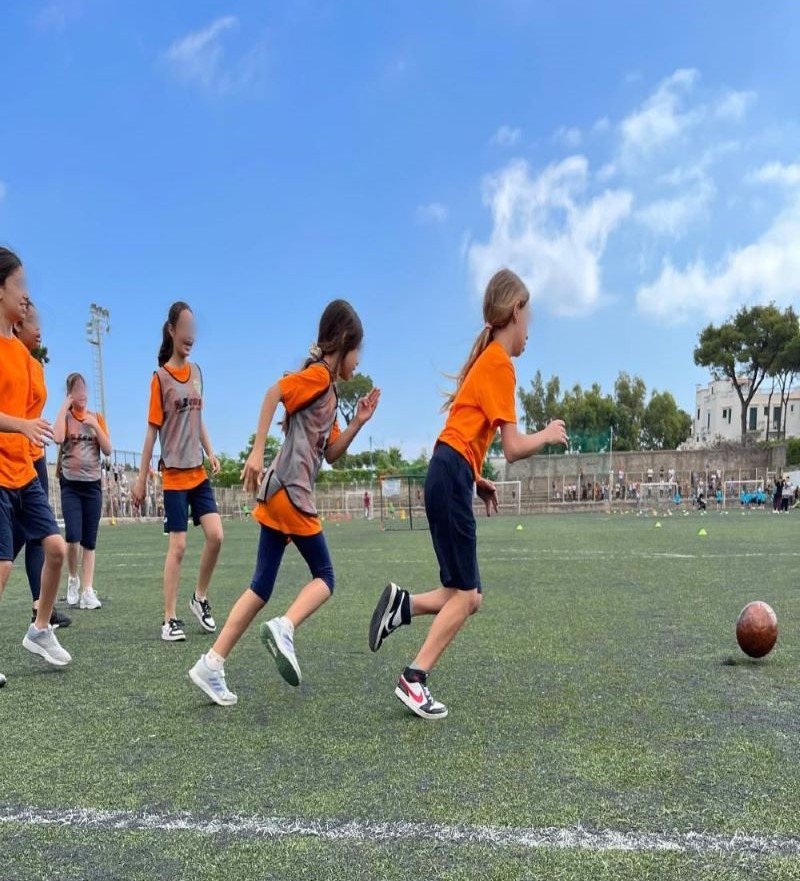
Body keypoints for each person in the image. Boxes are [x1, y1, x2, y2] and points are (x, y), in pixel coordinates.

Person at [368, 269, 567, 720]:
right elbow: (512, 448)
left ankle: (403, 605)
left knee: (468, 596)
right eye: (529, 317)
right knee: (466, 595)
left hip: (451, 472)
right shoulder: (500, 363)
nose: (530, 330)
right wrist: (547, 434)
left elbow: (464, 431)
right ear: (515, 311)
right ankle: (414, 678)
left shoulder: (489, 362)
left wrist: (476, 478)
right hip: (450, 473)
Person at [189, 300, 380, 706]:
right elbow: (273, 392)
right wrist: (257, 450)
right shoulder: (316, 376)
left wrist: (358, 422)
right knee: (325, 577)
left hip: (278, 493)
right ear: (344, 341)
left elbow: (332, 453)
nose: (359, 361)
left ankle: (211, 663)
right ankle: (285, 627)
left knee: (260, 586)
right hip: (292, 494)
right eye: (358, 351)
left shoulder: (328, 390)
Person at [132, 302, 224, 642]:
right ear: (172, 330)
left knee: (216, 536)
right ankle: (169, 619)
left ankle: (199, 598)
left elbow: (198, 419)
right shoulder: (160, 379)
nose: (190, 335)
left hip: (198, 474)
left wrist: (210, 451)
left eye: (193, 329)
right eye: (184, 327)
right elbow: (151, 433)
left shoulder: (197, 373)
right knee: (179, 546)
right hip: (173, 475)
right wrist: (141, 480)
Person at [0, 247, 71, 683]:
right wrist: (22, 426)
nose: (27, 295)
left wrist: (31, 437)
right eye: (20, 285)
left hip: (24, 473)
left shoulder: (27, 360)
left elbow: (30, 417)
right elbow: (19, 419)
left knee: (57, 550)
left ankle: (40, 629)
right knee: (3, 564)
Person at [11, 301, 70, 628]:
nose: (40, 330)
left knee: (41, 536)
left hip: (33, 457)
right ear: (17, 325)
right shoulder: (9, 360)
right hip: (10, 459)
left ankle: (40, 607)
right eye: (34, 323)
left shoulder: (35, 365)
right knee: (19, 536)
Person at [53, 373, 112, 610]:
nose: (82, 394)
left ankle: (87, 589)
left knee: (89, 540)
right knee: (73, 537)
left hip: (93, 485)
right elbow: (58, 437)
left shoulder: (96, 418)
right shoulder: (66, 418)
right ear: (70, 394)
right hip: (71, 485)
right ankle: (72, 579)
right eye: (76, 390)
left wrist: (95, 425)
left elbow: (108, 449)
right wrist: (64, 407)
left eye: (83, 389)